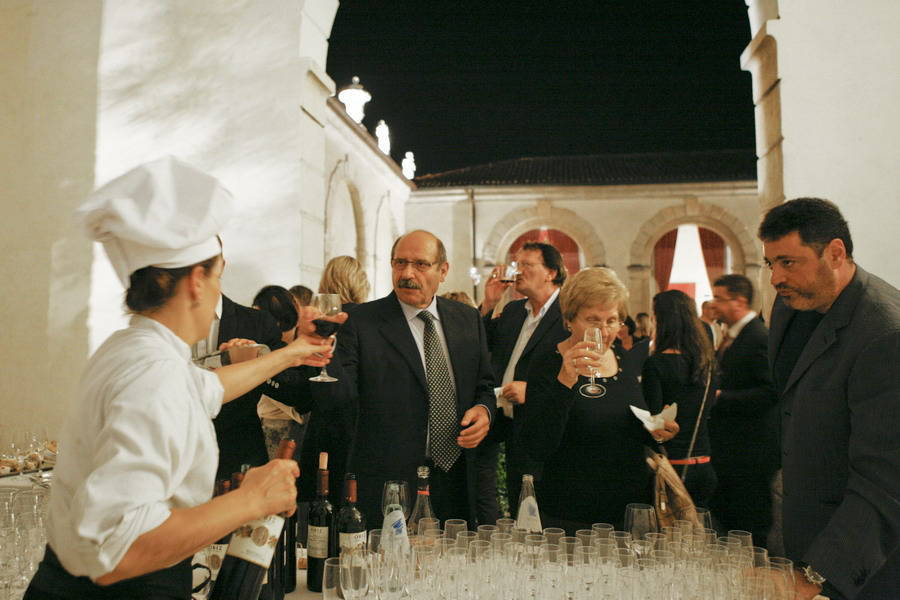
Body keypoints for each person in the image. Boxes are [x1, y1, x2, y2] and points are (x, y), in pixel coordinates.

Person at [25, 157, 338, 599]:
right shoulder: (156, 375)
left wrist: (293, 353)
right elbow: (119, 548)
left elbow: (207, 388)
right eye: (217, 275)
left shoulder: (132, 347)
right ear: (196, 282)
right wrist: (254, 499)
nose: (218, 289)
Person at [759, 197, 900, 599]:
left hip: (863, 564)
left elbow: (887, 482)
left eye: (789, 262)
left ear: (835, 253)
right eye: (771, 263)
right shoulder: (791, 306)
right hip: (802, 536)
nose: (776, 278)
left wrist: (816, 576)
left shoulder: (885, 334)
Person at [326, 230, 495, 528]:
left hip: (455, 478)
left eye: (420, 264)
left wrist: (484, 411)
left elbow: (484, 385)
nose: (407, 274)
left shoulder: (467, 319)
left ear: (443, 270)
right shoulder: (362, 322)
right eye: (400, 263)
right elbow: (338, 397)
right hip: (390, 482)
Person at [523, 268, 678, 534]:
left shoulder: (622, 357)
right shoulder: (547, 362)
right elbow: (537, 444)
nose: (604, 332)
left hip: (629, 509)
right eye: (593, 320)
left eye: (612, 321)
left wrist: (658, 431)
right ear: (569, 320)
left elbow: (627, 423)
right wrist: (565, 381)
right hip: (571, 511)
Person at [477, 242, 569, 522]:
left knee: (538, 506)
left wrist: (533, 390)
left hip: (541, 424)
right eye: (516, 265)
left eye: (527, 265)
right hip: (506, 419)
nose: (517, 271)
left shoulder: (567, 315)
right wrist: (489, 302)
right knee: (516, 499)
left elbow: (573, 371)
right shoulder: (514, 310)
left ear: (551, 273)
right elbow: (479, 344)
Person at [707, 274, 780, 550]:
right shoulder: (735, 335)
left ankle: (755, 566)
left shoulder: (758, 337)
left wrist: (720, 397)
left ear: (739, 301)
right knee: (730, 514)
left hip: (751, 447)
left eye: (719, 298)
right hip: (733, 445)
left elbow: (771, 392)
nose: (713, 304)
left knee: (750, 518)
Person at [298, 255, 371, 506]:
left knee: (322, 503)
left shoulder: (324, 322)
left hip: (327, 425)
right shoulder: (368, 319)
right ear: (361, 282)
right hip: (361, 425)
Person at [641, 290, 717, 508]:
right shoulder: (707, 365)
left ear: (662, 321)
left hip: (670, 466)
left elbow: (655, 424)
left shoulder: (656, 364)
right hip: (703, 463)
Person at [252, 284, 311, 459]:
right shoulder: (268, 348)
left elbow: (300, 400)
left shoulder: (296, 351)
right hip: (269, 423)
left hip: (281, 427)